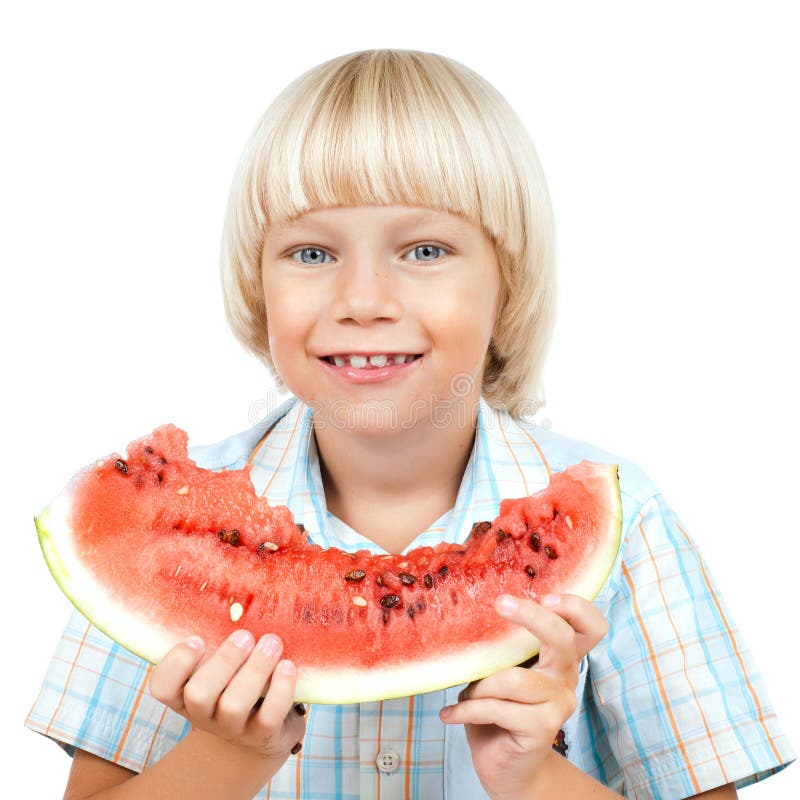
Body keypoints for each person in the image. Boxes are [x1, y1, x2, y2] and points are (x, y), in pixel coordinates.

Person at [26, 48, 794, 799]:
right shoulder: (163, 534)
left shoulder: (628, 527)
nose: (363, 298)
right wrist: (228, 756)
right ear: (256, 286)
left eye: (425, 249)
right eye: (311, 251)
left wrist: (533, 778)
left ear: (509, 285)